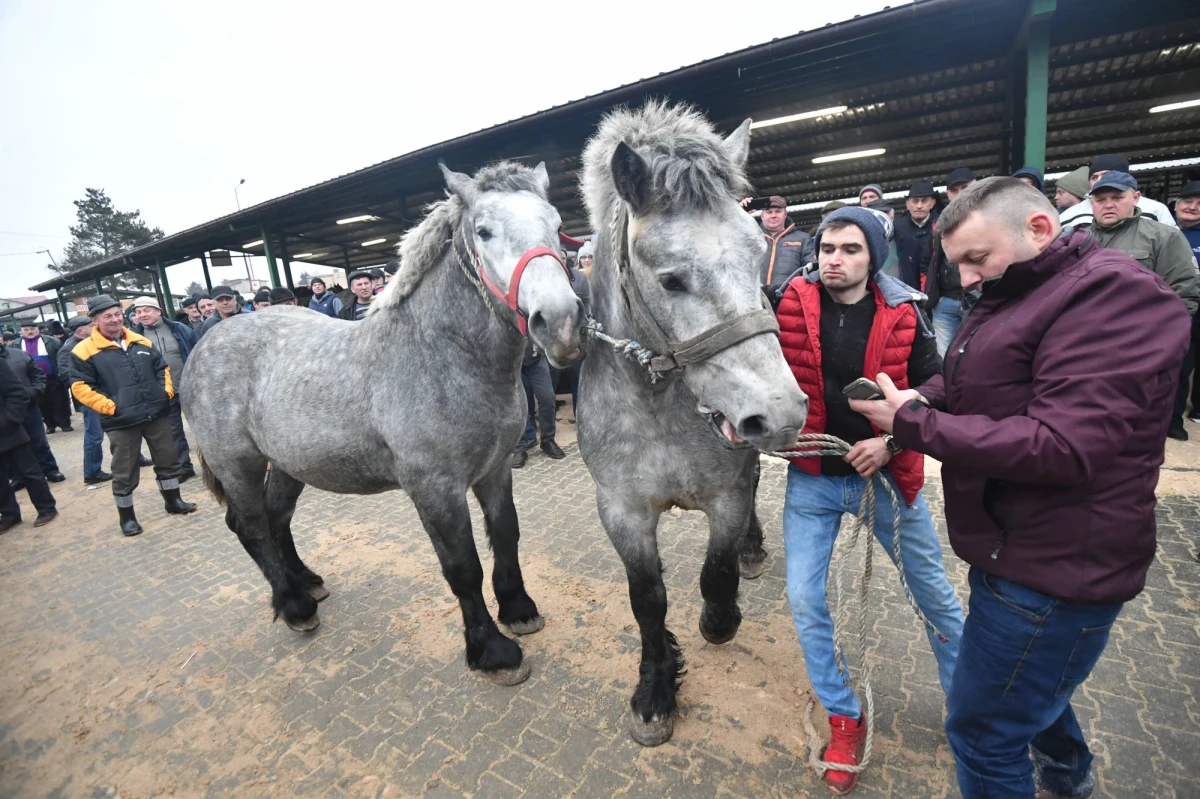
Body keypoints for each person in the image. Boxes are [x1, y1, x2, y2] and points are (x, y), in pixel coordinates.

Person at [850, 177, 1190, 799]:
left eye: (977, 259)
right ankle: (1067, 779)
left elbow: (1063, 446)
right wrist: (916, 398)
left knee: (982, 734)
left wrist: (914, 424)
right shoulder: (1024, 292)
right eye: (958, 268)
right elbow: (981, 383)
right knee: (1030, 692)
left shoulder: (1112, 299)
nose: (969, 280)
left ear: (1038, 228)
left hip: (1056, 570)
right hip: (1017, 551)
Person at [775, 206, 963, 795]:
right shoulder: (787, 300)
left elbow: (938, 388)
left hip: (886, 479)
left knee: (934, 597)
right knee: (805, 600)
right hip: (812, 476)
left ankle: (971, 708)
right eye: (827, 248)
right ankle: (842, 713)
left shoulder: (906, 309)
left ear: (874, 255)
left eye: (850, 250)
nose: (834, 259)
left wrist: (890, 440)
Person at [68, 295, 198, 536]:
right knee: (124, 471)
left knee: (168, 460)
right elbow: (80, 387)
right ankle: (127, 518)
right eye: (107, 316)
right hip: (121, 421)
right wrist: (111, 407)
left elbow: (162, 369)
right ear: (95, 320)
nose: (115, 319)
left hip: (156, 414)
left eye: (118, 314)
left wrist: (164, 392)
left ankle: (173, 502)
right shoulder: (83, 351)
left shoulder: (140, 342)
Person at [1088, 171, 1199, 441]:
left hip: (1138, 344)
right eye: (1100, 199)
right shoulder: (1077, 239)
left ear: (1136, 198)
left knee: (1138, 418)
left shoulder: (1162, 237)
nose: (1108, 204)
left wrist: (1160, 341)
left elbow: (1184, 293)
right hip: (1088, 345)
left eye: (1117, 197)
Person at [131, 297, 198, 480]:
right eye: (138, 312)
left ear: (158, 311)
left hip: (190, 388)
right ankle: (184, 468)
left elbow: (197, 353)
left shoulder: (180, 329)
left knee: (202, 427)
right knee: (173, 432)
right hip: (163, 392)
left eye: (146, 310)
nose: (142, 315)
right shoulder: (133, 337)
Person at [924, 167, 976, 356]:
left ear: (976, 186)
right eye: (955, 190)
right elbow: (928, 259)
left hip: (977, 299)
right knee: (943, 355)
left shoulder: (991, 219)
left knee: (976, 351)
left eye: (965, 187)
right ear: (948, 194)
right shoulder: (939, 224)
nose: (960, 194)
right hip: (945, 300)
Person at [0, 362, 58, 532]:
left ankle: (46, 507)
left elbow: (17, 392)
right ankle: (9, 514)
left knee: (29, 471)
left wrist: (10, 420)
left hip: (8, 430)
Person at [0, 341, 65, 484]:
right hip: (3, 414)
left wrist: (34, 391)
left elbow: (38, 375)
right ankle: (17, 477)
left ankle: (50, 469)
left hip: (29, 407)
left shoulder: (21, 356)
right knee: (8, 446)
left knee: (39, 441)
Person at [1060, 154, 1178, 231]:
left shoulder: (1155, 210)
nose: (1099, 181)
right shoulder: (1070, 215)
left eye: (1106, 175)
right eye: (1094, 177)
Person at [59, 316, 110, 484]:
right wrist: (91, 383)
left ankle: (135, 458)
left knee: (121, 429)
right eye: (90, 325)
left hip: (108, 394)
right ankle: (92, 472)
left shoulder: (96, 342)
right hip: (90, 399)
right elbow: (66, 376)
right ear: (80, 331)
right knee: (95, 436)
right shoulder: (68, 350)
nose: (95, 326)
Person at [742, 195, 814, 292]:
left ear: (785, 214)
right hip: (756, 298)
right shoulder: (750, 238)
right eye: (769, 212)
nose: (773, 215)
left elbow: (812, 269)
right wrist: (739, 212)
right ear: (762, 216)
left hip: (788, 298)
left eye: (778, 211)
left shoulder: (802, 238)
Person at [511, 341, 564, 467]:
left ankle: (548, 440)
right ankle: (520, 448)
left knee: (548, 397)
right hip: (512, 363)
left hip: (536, 359)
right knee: (518, 403)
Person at [15, 322, 71, 433]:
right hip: (33, 380)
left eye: (32, 329)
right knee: (42, 403)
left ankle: (64, 423)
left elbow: (60, 357)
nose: (29, 331)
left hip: (53, 377)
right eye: (26, 329)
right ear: (21, 331)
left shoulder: (52, 341)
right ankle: (50, 425)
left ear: (37, 329)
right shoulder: (15, 345)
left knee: (60, 402)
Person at [1176, 180, 1200, 423]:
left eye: (1199, 204)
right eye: (1187, 201)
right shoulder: (1166, 230)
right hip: (1180, 307)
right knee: (1181, 363)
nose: (1192, 207)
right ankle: (1174, 419)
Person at [893, 180, 938, 291]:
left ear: (932, 203)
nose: (919, 206)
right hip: (906, 289)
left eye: (924, 201)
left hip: (934, 290)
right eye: (915, 201)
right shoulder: (897, 227)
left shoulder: (940, 225)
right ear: (908, 204)